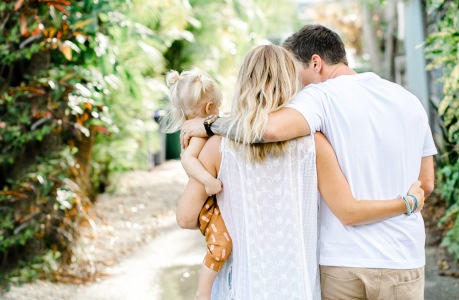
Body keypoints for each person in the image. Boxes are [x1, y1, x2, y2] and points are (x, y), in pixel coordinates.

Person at [181, 25, 437, 300]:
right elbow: (426, 184)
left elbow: (269, 130)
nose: (298, 84)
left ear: (316, 63)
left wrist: (210, 125)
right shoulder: (408, 101)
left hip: (333, 263)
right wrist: (407, 203)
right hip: (398, 257)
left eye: (297, 72)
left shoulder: (318, 102)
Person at [161, 68, 230, 300]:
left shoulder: (201, 127)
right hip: (206, 205)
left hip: (207, 199)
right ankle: (203, 293)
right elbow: (187, 160)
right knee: (220, 244)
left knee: (221, 242)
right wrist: (207, 179)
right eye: (217, 108)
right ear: (209, 108)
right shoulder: (198, 131)